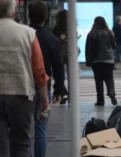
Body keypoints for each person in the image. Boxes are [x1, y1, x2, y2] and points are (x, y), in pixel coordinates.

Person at [0, 0, 49, 156]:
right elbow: (39, 70)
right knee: (21, 144)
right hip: (21, 94)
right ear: (14, 12)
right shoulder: (28, 33)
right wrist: (44, 99)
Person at [28, 1, 65, 157]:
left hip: (23, 87)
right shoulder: (52, 39)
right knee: (41, 127)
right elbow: (58, 67)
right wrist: (58, 90)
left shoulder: (24, 36)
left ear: (29, 16)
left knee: (22, 128)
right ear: (46, 17)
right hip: (44, 89)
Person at [85, 16, 118, 106]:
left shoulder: (91, 34)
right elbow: (114, 46)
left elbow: (88, 49)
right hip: (109, 59)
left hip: (96, 60)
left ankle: (100, 101)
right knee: (109, 77)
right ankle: (111, 91)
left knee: (98, 80)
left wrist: (88, 61)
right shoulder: (109, 32)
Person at [52, 9, 69, 104]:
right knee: (71, 75)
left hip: (59, 54)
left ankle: (64, 93)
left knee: (59, 74)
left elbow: (54, 41)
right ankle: (72, 95)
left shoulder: (56, 28)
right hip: (70, 53)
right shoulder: (72, 27)